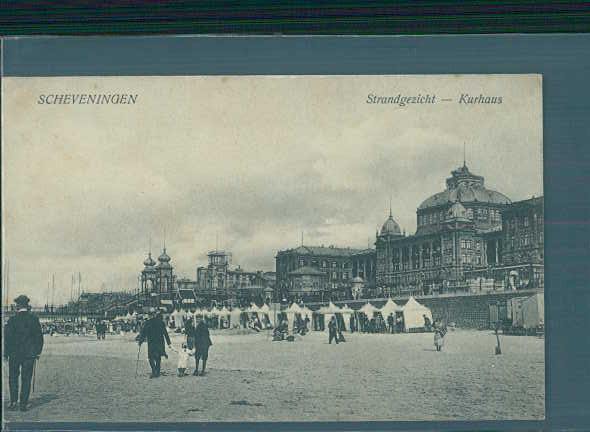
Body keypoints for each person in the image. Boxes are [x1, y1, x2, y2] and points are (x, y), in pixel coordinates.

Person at [3, 295, 44, 411]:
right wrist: (37, 352)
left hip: (14, 354)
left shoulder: (12, 320)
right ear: (27, 305)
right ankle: (23, 404)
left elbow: (7, 338)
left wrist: (6, 353)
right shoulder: (34, 319)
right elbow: (39, 338)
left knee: (13, 378)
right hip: (29, 355)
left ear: (17, 306)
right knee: (26, 379)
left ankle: (13, 402)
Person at [137, 308, 171, 378]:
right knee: (158, 357)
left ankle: (154, 371)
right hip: (159, 342)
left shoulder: (148, 322)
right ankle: (157, 372)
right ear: (155, 314)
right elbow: (165, 333)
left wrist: (140, 341)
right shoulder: (161, 322)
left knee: (151, 357)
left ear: (150, 315)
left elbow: (143, 333)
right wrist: (168, 342)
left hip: (152, 343)